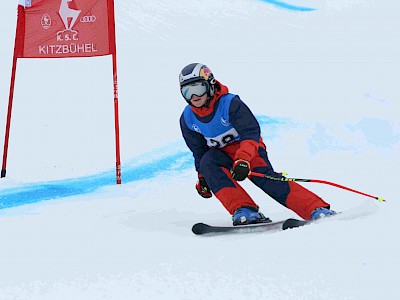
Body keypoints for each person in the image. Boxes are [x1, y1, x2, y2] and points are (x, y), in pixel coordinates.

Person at [179, 63, 336, 225]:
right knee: (207, 163)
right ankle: (245, 210)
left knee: (268, 180)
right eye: (186, 91)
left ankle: (315, 208)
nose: (193, 96)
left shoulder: (230, 103)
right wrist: (203, 177)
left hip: (249, 150)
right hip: (221, 156)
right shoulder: (188, 119)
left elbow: (251, 132)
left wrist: (243, 159)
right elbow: (199, 152)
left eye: (197, 88)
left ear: (210, 84)